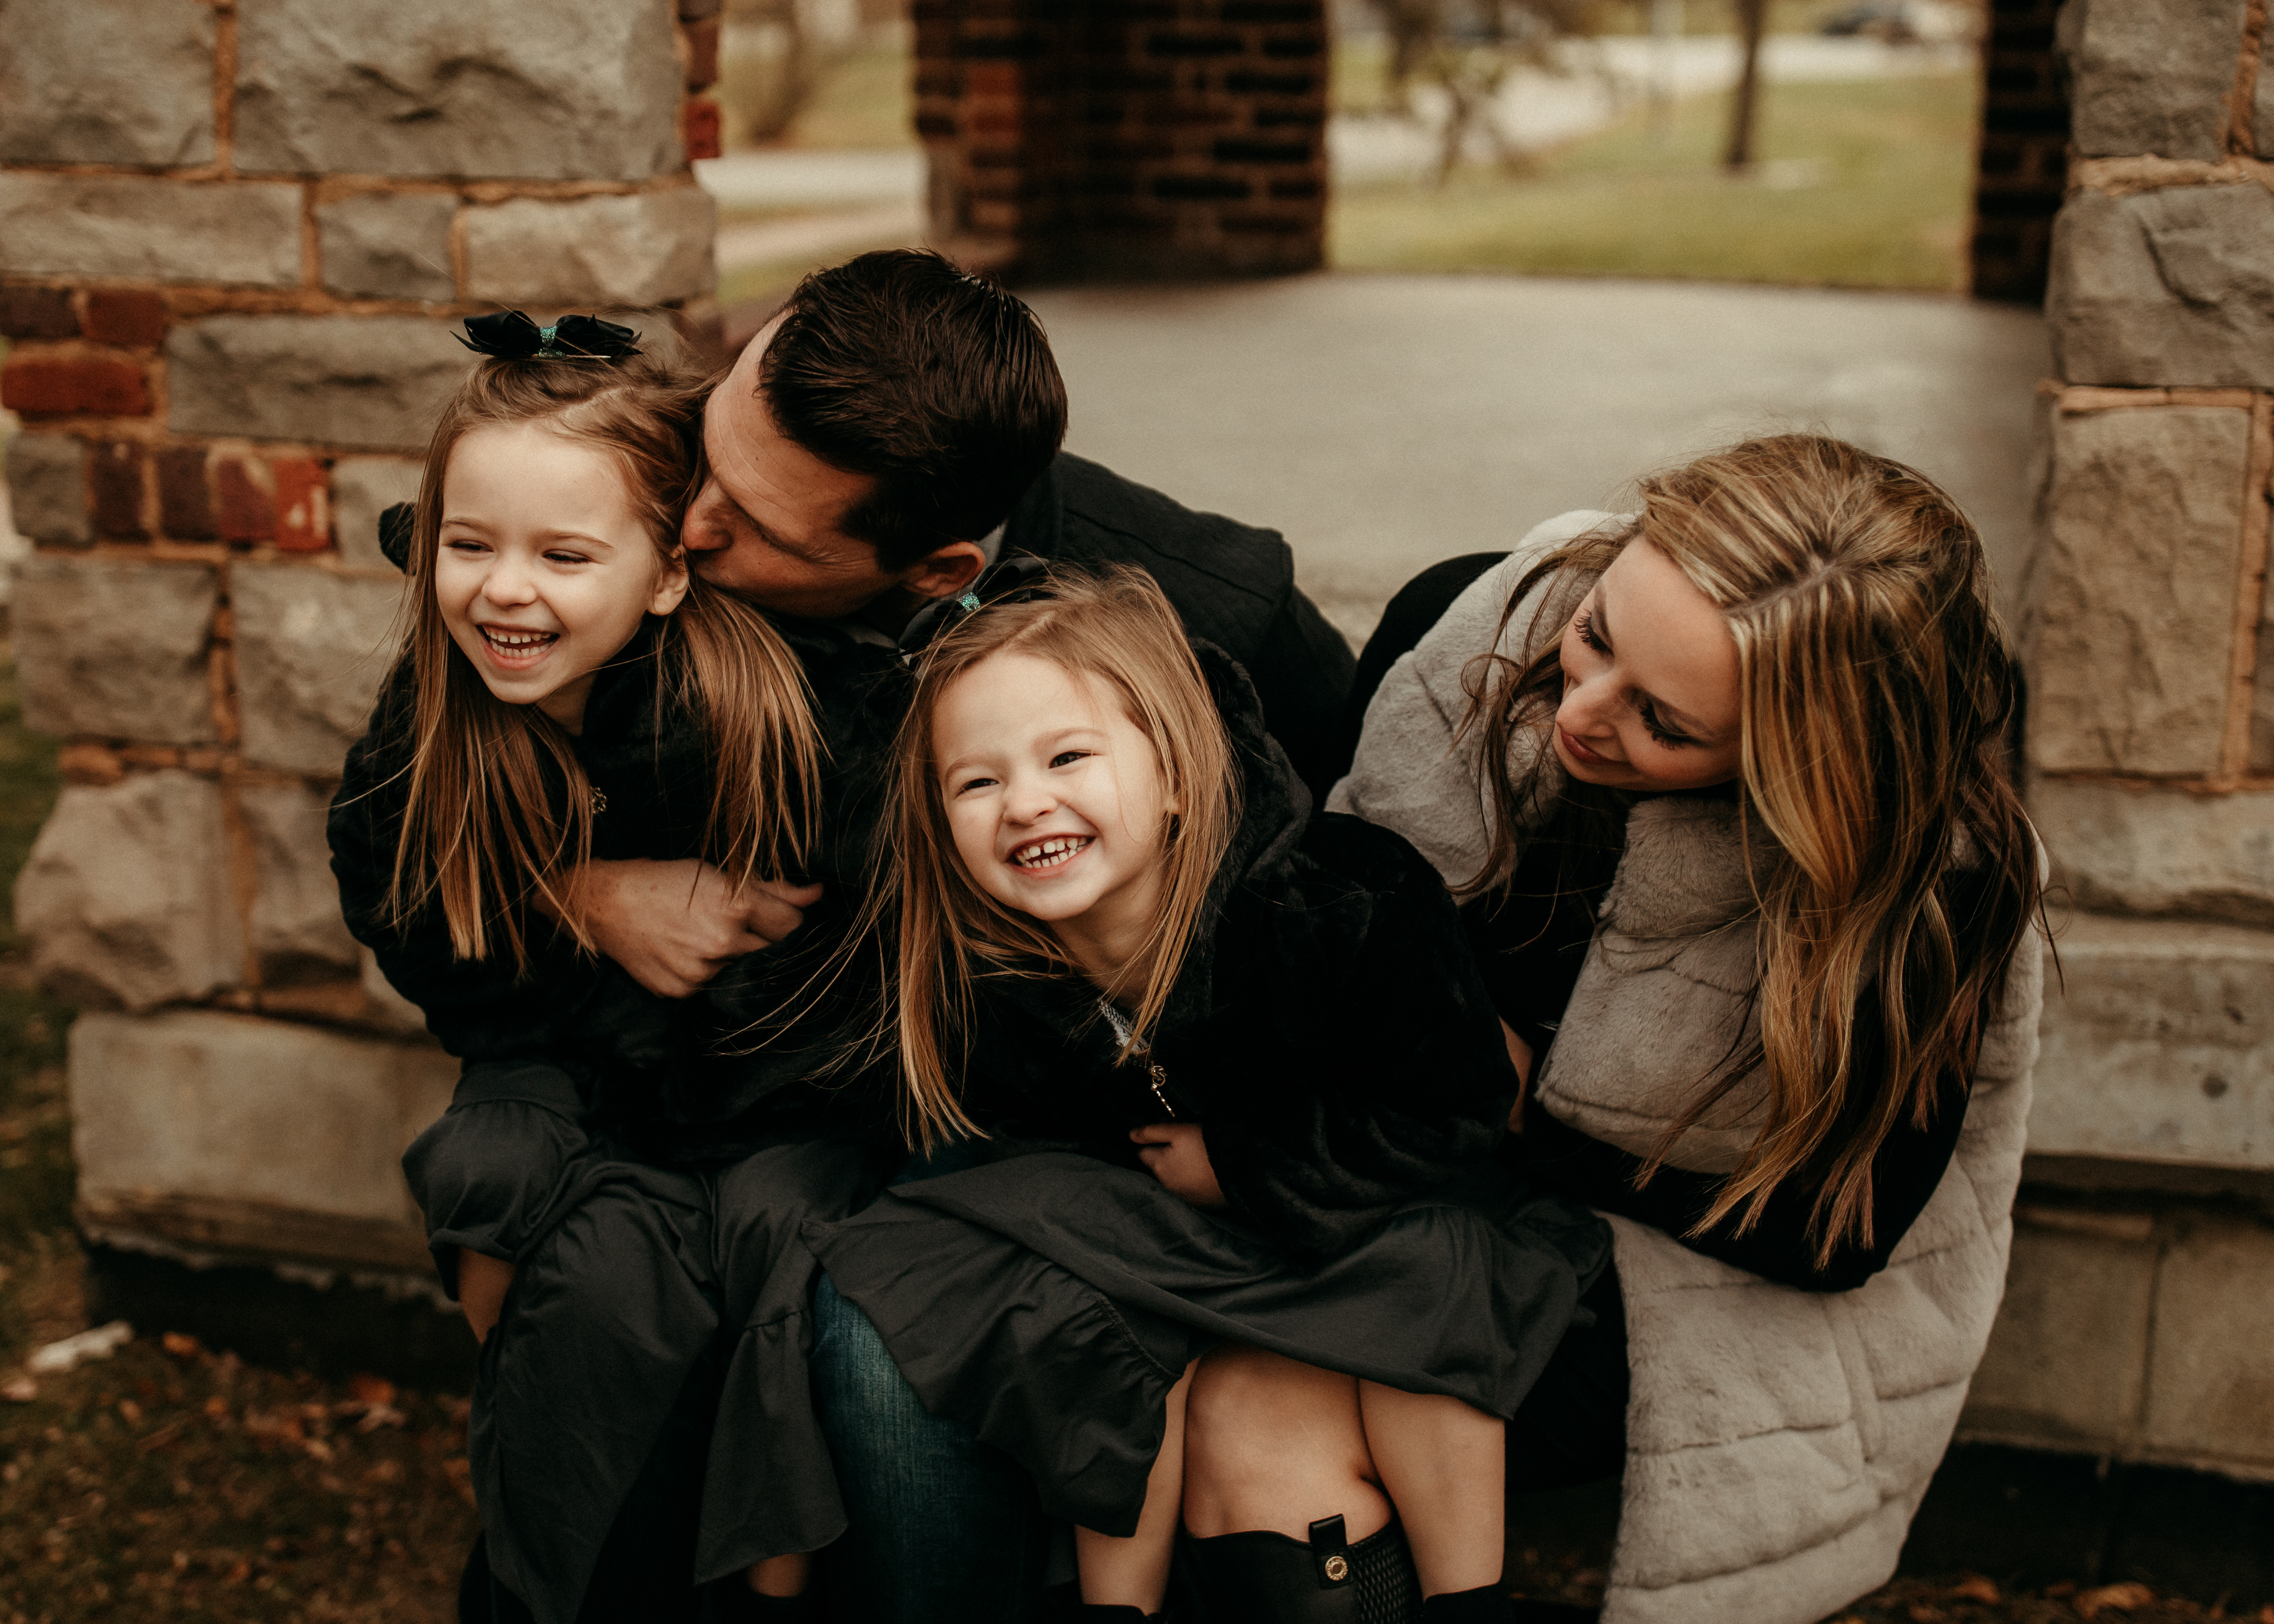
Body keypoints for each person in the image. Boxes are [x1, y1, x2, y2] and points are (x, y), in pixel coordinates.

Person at [535, 251, 1361, 1620]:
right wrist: (572, 889)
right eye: (710, 446)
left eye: (754, 525)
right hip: (801, 1104)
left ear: (938, 571)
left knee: (901, 1348)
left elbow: (1372, 933)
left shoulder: (1219, 625)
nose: (685, 528)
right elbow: (409, 808)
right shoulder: (653, 498)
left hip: (1087, 1135)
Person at [1191, 435, 2048, 1624]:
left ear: (1803, 764)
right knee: (1224, 1402)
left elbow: (1828, 1237)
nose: (1577, 714)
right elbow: (1313, 907)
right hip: (1402, 1177)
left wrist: (1504, 1105)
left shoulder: (1924, 884)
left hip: (1678, 1272)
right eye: (1595, 635)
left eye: (1665, 722)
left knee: (1267, 1404)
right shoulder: (1471, 624)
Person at [803, 565, 1609, 1624]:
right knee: (1060, 1286)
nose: (1027, 800)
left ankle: (1471, 1603)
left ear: (1177, 774)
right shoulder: (990, 982)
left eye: (1067, 757)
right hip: (1177, 1259)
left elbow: (1457, 1108)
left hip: (1385, 1224)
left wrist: (1245, 1164)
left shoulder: (1339, 896)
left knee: (1424, 1289)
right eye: (976, 782)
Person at [327, 316, 881, 1624]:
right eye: (471, 545)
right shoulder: (440, 715)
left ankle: (743, 1578)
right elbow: (400, 902)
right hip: (569, 1069)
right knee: (499, 1174)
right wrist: (573, 901)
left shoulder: (764, 718)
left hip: (769, 1099)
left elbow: (835, 963)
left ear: (668, 572)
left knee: (722, 1264)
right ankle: (544, 1540)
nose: (505, 591)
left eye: (564, 556)